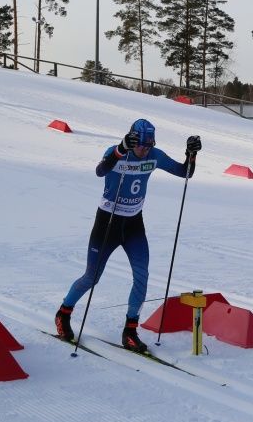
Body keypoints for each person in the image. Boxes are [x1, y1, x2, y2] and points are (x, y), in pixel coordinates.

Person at [55, 119, 200, 353]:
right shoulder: (118, 151)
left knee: (142, 276)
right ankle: (63, 313)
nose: (145, 150)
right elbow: (100, 170)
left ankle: (130, 331)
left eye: (149, 145)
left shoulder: (155, 155)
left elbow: (185, 173)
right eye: (141, 145)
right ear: (133, 141)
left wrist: (191, 154)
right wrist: (121, 150)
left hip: (133, 223)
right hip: (107, 223)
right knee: (91, 277)